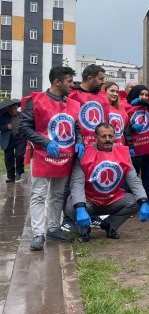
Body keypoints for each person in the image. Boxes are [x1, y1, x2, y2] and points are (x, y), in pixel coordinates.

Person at [20, 66, 84, 251]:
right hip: (43, 155)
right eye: (69, 82)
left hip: (65, 156)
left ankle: (54, 227)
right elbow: (25, 127)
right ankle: (38, 233)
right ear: (57, 82)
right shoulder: (36, 100)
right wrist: (45, 142)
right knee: (39, 194)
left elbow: (77, 127)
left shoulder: (72, 104)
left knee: (57, 194)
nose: (73, 85)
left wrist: (79, 141)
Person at [67, 123, 149, 241]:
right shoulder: (84, 153)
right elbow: (77, 183)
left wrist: (144, 201)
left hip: (112, 199)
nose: (107, 139)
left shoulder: (123, 153)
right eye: (103, 136)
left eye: (110, 136)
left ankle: (110, 225)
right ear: (96, 137)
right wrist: (80, 208)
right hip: (89, 200)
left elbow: (134, 181)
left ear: (115, 136)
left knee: (136, 202)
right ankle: (84, 230)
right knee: (72, 206)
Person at [127, 85, 149, 214]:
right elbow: (125, 130)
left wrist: (143, 101)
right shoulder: (128, 107)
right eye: (141, 94)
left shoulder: (148, 106)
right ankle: (131, 207)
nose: (144, 97)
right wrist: (131, 128)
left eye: (147, 95)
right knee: (132, 179)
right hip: (135, 150)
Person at [0, 103, 27, 182]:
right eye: (10, 109)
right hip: (8, 139)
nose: (12, 110)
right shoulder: (3, 116)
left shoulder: (22, 115)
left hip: (20, 138)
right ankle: (11, 177)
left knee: (19, 155)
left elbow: (28, 125)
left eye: (14, 108)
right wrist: (6, 127)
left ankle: (19, 171)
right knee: (8, 158)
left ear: (17, 108)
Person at [103, 82, 130, 148]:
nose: (115, 94)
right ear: (104, 91)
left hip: (119, 147)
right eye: (112, 91)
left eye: (117, 92)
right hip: (103, 147)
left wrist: (130, 145)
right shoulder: (100, 108)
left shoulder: (121, 110)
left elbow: (126, 131)